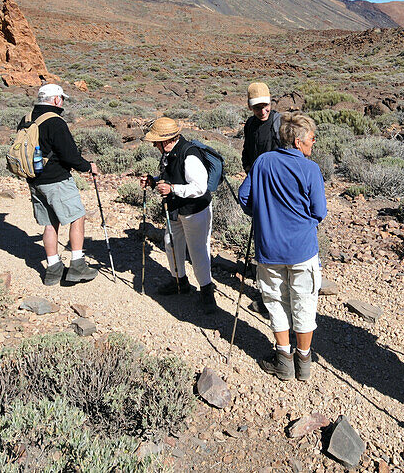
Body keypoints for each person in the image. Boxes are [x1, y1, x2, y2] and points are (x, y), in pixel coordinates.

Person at [238, 112, 326, 381]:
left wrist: (264, 214)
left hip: (269, 249)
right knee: (304, 304)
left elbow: (244, 197)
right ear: (298, 142)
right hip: (302, 249)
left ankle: (284, 361)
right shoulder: (310, 169)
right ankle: (304, 363)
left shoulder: (263, 162)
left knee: (276, 303)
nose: (313, 143)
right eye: (311, 138)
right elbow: (319, 211)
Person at [21, 83, 100, 286]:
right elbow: (69, 155)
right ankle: (77, 265)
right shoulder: (55, 122)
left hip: (34, 180)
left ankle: (53, 269)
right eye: (62, 98)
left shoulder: (27, 118)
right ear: (56, 99)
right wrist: (87, 166)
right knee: (77, 217)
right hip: (56, 180)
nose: (62, 102)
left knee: (49, 223)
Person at [140, 117, 217, 313]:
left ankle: (207, 294)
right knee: (170, 243)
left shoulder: (189, 155)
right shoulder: (169, 153)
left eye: (156, 142)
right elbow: (171, 176)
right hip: (175, 209)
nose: (155, 146)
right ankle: (179, 282)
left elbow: (199, 188)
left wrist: (172, 189)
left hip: (195, 211)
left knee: (197, 250)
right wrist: (154, 181)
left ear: (166, 140)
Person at [241, 82, 282, 172]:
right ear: (249, 106)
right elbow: (247, 149)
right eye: (257, 108)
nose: (263, 112)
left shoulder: (280, 123)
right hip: (256, 176)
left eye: (266, 106)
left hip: (275, 177)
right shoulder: (250, 124)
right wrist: (247, 167)